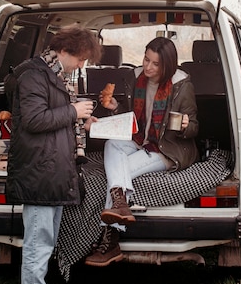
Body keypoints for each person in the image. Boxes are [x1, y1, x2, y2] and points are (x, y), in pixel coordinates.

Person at [6, 25, 101, 284]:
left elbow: (54, 115)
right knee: (39, 241)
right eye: (82, 59)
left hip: (50, 169)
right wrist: (73, 112)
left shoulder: (53, 73)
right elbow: (34, 120)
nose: (82, 65)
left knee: (43, 239)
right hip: (39, 170)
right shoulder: (35, 74)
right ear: (65, 50)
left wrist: (80, 119)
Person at [85, 36, 199, 267]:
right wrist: (115, 108)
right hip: (140, 140)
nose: (148, 67)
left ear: (167, 65)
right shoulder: (136, 78)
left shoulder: (182, 86)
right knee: (112, 144)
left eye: (155, 64)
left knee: (121, 168)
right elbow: (133, 117)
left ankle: (111, 240)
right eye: (146, 59)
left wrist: (187, 126)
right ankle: (120, 204)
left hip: (166, 148)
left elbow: (195, 126)